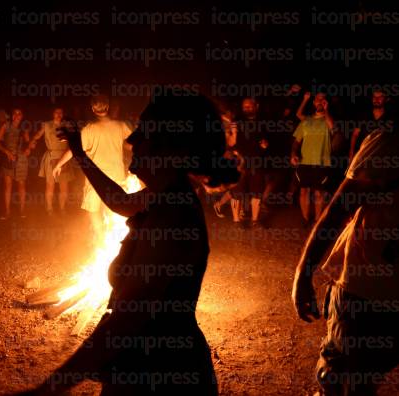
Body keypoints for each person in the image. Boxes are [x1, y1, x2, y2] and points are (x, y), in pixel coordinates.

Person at [21, 91, 239, 395]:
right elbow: (119, 201)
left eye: (144, 134)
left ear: (173, 149)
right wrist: (79, 154)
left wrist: (48, 389)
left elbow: (125, 322)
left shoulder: (173, 216)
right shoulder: (163, 197)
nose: (132, 142)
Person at [292, 128, 399, 396]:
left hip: (365, 289)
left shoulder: (389, 141)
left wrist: (304, 273)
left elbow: (340, 207)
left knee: (340, 377)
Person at [53, 95, 131, 241]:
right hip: (116, 177)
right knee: (114, 211)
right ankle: (115, 242)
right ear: (107, 108)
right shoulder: (121, 125)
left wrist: (58, 164)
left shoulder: (89, 129)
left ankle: (101, 240)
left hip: (95, 179)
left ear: (93, 109)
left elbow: (74, 149)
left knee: (93, 212)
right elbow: (134, 143)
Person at [291, 92, 335, 227]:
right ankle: (305, 219)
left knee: (318, 192)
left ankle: (317, 221)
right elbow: (297, 141)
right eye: (317, 99)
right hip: (304, 161)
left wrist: (327, 111)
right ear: (314, 102)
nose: (320, 101)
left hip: (321, 162)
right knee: (303, 191)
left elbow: (332, 126)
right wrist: (293, 153)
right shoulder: (307, 120)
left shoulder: (328, 120)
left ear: (326, 102)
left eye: (323, 99)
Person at [229, 97, 269, 227]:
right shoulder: (237, 122)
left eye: (249, 106)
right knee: (237, 191)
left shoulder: (262, 122)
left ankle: (255, 220)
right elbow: (230, 143)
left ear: (256, 106)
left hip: (256, 161)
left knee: (257, 191)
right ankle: (236, 221)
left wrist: (265, 144)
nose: (246, 108)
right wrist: (233, 134)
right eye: (244, 106)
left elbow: (266, 140)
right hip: (239, 161)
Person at [29, 107, 73, 216]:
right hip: (52, 156)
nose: (58, 114)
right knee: (50, 185)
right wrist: (32, 142)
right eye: (56, 112)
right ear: (52, 114)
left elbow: (73, 139)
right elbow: (38, 135)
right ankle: (49, 208)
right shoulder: (47, 125)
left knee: (64, 186)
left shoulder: (67, 126)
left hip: (64, 157)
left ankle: (62, 209)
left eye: (61, 112)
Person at [0, 108, 32, 219]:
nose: (17, 115)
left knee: (21, 185)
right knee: (8, 186)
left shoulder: (23, 128)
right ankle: (7, 211)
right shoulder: (6, 126)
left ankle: (22, 210)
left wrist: (28, 149)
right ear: (12, 116)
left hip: (21, 160)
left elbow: (28, 143)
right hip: (8, 158)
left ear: (22, 116)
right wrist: (6, 152)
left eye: (19, 113)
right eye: (15, 113)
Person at [349, 90, 393, 161]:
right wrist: (351, 153)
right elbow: (355, 134)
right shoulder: (364, 115)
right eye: (374, 96)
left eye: (380, 97)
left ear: (387, 99)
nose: (376, 99)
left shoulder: (390, 119)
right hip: (361, 156)